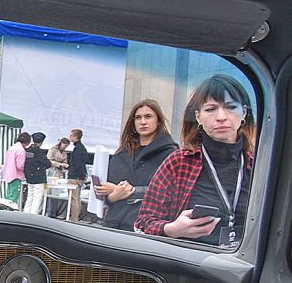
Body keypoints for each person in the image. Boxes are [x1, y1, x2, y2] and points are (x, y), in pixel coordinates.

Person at [135, 75, 255, 247]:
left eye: (231, 107)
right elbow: (143, 222)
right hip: (189, 260)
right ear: (198, 117)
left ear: (244, 113)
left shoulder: (258, 166)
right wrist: (171, 229)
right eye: (210, 109)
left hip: (242, 261)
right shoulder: (179, 162)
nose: (221, 116)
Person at [95, 100, 176, 231]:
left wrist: (130, 192)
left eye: (148, 116)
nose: (143, 122)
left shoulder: (171, 154)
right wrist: (112, 197)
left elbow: (170, 192)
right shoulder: (122, 153)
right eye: (138, 118)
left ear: (158, 121)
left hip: (146, 227)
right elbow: (108, 190)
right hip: (113, 225)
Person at [23, 132, 52, 214]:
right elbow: (48, 164)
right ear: (42, 142)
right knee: (37, 198)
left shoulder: (27, 151)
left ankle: (26, 213)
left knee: (30, 197)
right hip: (38, 178)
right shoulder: (39, 152)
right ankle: (33, 214)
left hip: (29, 177)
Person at [66, 128, 90, 221]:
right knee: (77, 198)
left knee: (74, 198)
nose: (70, 137)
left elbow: (78, 163)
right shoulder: (82, 148)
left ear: (76, 136)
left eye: (71, 135)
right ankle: (75, 217)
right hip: (79, 176)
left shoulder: (77, 149)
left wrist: (82, 174)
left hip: (75, 176)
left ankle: (74, 218)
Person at [1, 132, 31, 205]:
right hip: (16, 176)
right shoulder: (21, 150)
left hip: (9, 174)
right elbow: (20, 165)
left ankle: (5, 209)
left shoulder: (12, 147)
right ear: (27, 142)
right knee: (14, 197)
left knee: (9, 195)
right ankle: (10, 210)